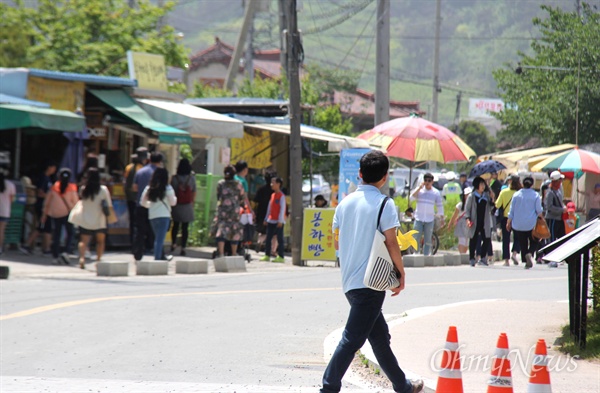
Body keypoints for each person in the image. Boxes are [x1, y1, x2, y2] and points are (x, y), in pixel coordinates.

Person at [320, 150, 423, 393]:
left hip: (350, 283)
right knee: (352, 338)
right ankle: (328, 387)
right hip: (372, 283)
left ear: (360, 174)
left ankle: (403, 386)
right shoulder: (384, 204)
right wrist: (401, 273)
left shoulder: (343, 204)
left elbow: (336, 243)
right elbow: (391, 242)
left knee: (379, 338)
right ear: (384, 177)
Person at [73, 168, 112, 269]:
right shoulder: (103, 189)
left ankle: (82, 258)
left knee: (83, 241)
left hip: (86, 218)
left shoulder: (83, 189)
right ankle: (98, 260)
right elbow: (108, 204)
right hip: (99, 219)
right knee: (100, 241)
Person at [41, 168, 79, 265]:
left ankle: (55, 255)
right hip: (68, 214)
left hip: (55, 214)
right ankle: (66, 251)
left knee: (56, 234)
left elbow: (47, 202)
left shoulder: (54, 187)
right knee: (70, 233)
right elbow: (75, 202)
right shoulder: (72, 188)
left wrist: (44, 214)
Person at [21, 160, 57, 255]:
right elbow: (40, 192)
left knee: (43, 228)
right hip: (42, 206)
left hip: (46, 206)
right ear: (49, 167)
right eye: (54, 167)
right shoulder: (43, 178)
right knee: (45, 227)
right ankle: (43, 248)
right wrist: (49, 197)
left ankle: (43, 247)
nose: (55, 169)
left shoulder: (48, 178)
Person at [507, 176, 543, 269]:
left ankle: (526, 257)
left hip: (518, 224)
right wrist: (543, 220)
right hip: (531, 224)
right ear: (532, 184)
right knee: (535, 240)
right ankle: (530, 254)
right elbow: (539, 211)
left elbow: (511, 210)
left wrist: (508, 222)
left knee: (522, 242)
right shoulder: (535, 195)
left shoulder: (516, 195)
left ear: (523, 184)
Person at [141, 167, 177, 261]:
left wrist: (150, 206)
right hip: (164, 215)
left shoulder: (149, 188)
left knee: (157, 237)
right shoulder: (168, 188)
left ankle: (162, 256)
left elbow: (142, 202)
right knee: (160, 239)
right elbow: (173, 202)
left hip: (152, 216)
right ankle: (157, 259)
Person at [132, 152, 163, 261]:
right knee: (155, 230)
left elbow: (135, 187)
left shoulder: (140, 171)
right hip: (155, 205)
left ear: (149, 159)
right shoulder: (159, 173)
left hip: (141, 204)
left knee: (140, 229)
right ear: (160, 161)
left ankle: (138, 253)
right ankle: (155, 251)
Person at [212, 165, 245, 258]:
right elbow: (242, 197)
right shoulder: (238, 184)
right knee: (234, 230)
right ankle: (234, 253)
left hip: (223, 209)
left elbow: (218, 196)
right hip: (234, 210)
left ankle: (221, 253)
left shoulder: (221, 183)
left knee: (222, 229)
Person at [410, 172, 444, 256]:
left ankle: (426, 255)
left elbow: (439, 206)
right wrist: (419, 188)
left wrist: (441, 218)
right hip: (419, 217)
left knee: (428, 239)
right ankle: (416, 253)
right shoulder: (420, 190)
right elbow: (411, 198)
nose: (427, 182)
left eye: (429, 180)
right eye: (425, 180)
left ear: (432, 182)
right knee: (416, 236)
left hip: (429, 218)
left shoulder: (435, 192)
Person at [465, 176, 494, 266]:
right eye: (481, 184)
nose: (483, 186)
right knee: (473, 239)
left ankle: (482, 258)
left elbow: (492, 207)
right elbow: (467, 209)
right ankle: (472, 258)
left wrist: (492, 198)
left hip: (485, 221)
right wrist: (468, 219)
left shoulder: (486, 196)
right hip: (474, 221)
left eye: (484, 184)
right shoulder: (472, 196)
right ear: (477, 185)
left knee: (487, 239)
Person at [170, 158, 196, 256]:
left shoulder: (174, 178)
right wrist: (192, 202)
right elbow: (194, 191)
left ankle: (173, 243)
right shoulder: (191, 178)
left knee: (175, 225)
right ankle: (183, 247)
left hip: (176, 204)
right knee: (185, 227)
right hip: (187, 205)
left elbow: (171, 190)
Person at [495, 175, 522, 266]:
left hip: (506, 218)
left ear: (510, 181)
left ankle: (506, 260)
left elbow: (497, 205)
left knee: (506, 239)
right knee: (517, 237)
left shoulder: (504, 192)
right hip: (517, 217)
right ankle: (514, 253)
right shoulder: (520, 192)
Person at [124, 147, 148, 244]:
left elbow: (125, 181)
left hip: (130, 197)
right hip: (140, 198)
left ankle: (131, 241)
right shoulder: (143, 169)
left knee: (132, 221)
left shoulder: (128, 167)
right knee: (141, 221)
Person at [260, 177, 286, 263]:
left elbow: (282, 209)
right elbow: (269, 208)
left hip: (278, 221)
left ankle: (281, 256)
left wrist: (280, 220)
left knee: (280, 239)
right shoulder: (272, 195)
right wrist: (266, 218)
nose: (271, 184)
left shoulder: (281, 196)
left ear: (278, 184)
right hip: (271, 219)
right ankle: (267, 255)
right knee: (268, 238)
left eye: (273, 183)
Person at [253, 170, 277, 255]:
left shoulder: (261, 189)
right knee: (274, 234)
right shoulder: (276, 191)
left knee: (263, 231)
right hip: (273, 213)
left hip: (261, 212)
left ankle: (260, 241)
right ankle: (273, 251)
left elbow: (255, 201)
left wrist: (254, 212)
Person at [447, 186, 472, 254]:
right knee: (462, 240)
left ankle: (464, 254)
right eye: (467, 195)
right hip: (461, 224)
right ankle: (461, 255)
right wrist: (450, 224)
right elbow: (454, 215)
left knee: (467, 242)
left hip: (469, 224)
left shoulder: (473, 205)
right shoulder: (460, 205)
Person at [544, 170, 566, 242]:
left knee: (562, 239)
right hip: (552, 219)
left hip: (559, 219)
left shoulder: (558, 191)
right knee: (551, 240)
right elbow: (549, 207)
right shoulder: (550, 192)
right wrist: (562, 210)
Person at [0, 166, 16, 256]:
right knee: (1, 231)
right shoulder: (10, 185)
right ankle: (0, 249)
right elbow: (12, 199)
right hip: (5, 211)